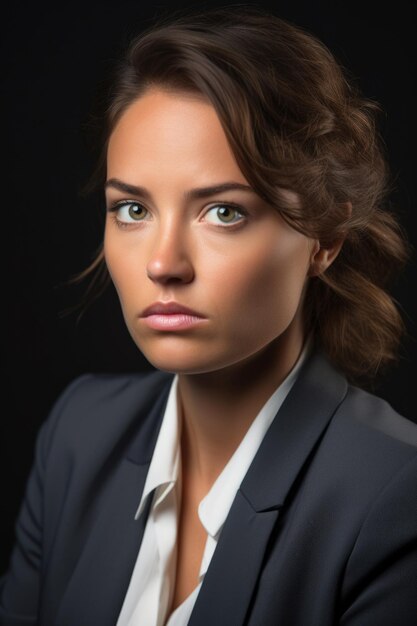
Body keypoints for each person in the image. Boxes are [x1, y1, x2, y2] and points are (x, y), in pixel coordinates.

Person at [1, 5, 416, 625]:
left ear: (325, 238)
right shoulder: (77, 437)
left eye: (223, 212)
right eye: (133, 210)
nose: (163, 264)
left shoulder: (394, 497)